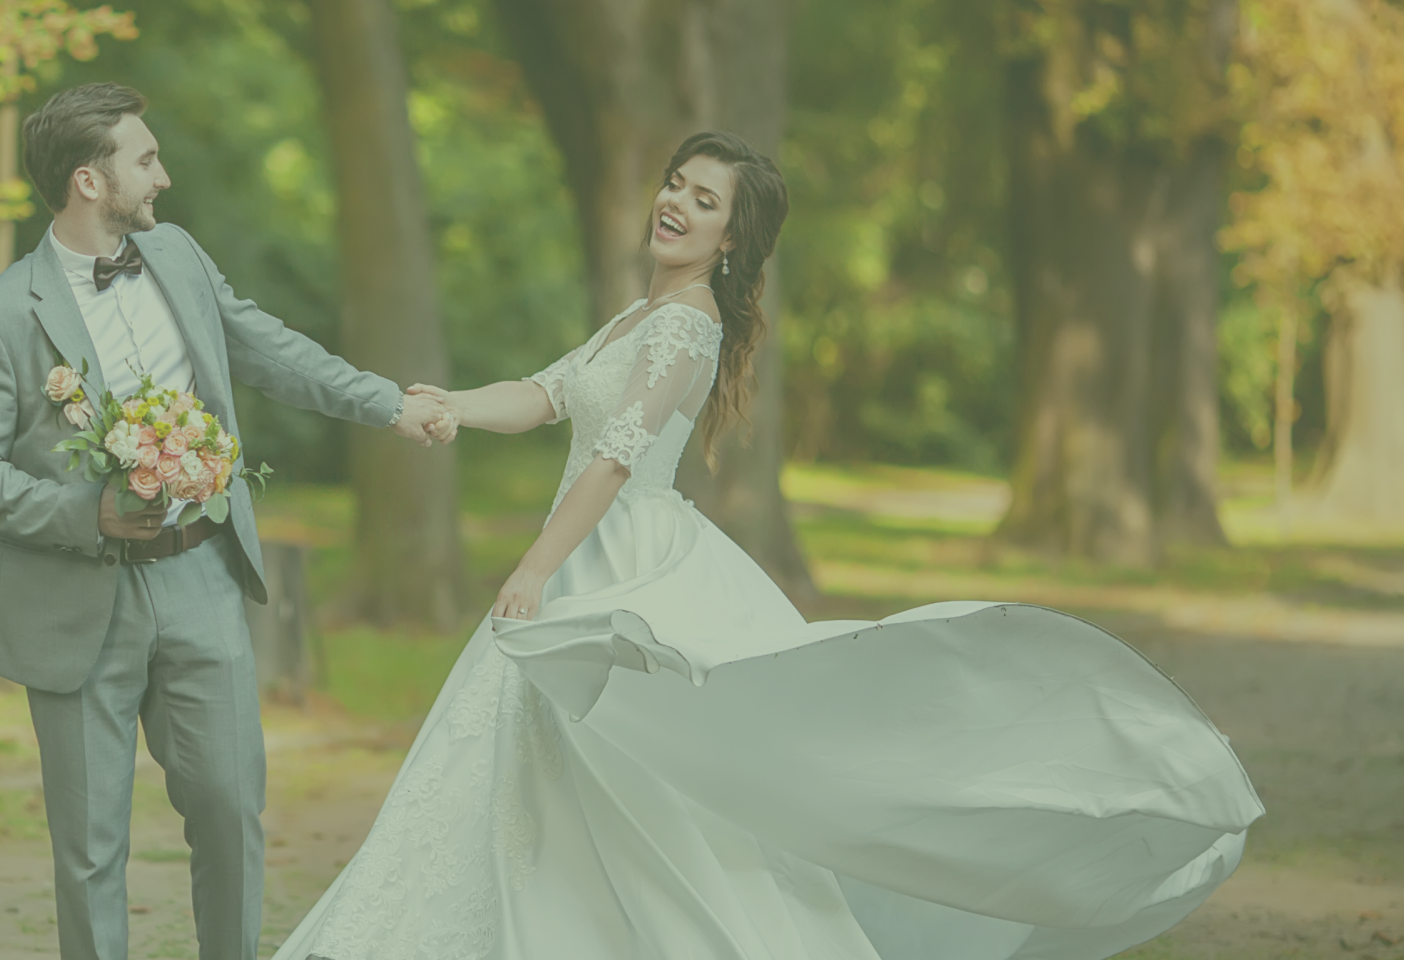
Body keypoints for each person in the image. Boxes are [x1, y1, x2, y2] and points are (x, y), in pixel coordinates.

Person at [272, 131, 1263, 960]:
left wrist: (535, 567)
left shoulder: (686, 331)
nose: (676, 204)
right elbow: (543, 394)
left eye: (703, 201)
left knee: (650, 781)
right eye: (675, 184)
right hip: (587, 545)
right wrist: (447, 405)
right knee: (541, 764)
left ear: (733, 239)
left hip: (621, 558)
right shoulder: (641, 313)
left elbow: (616, 456)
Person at [0, 82, 455, 960]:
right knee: (92, 848)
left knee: (229, 808)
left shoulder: (175, 255)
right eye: (144, 159)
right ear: (90, 181)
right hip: (74, 602)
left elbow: (267, 347)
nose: (162, 177)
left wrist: (385, 403)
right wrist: (81, 510)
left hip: (203, 576)